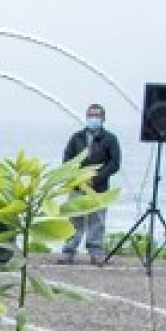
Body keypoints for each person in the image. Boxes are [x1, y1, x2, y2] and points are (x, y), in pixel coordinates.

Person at [57, 103, 121, 265]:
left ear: (103, 118)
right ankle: (69, 251)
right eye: (91, 115)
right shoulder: (76, 137)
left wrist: (96, 178)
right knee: (74, 219)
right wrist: (78, 177)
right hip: (78, 186)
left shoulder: (110, 139)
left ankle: (96, 252)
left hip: (99, 188)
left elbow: (114, 164)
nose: (94, 118)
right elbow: (67, 159)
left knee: (97, 220)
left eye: (97, 116)